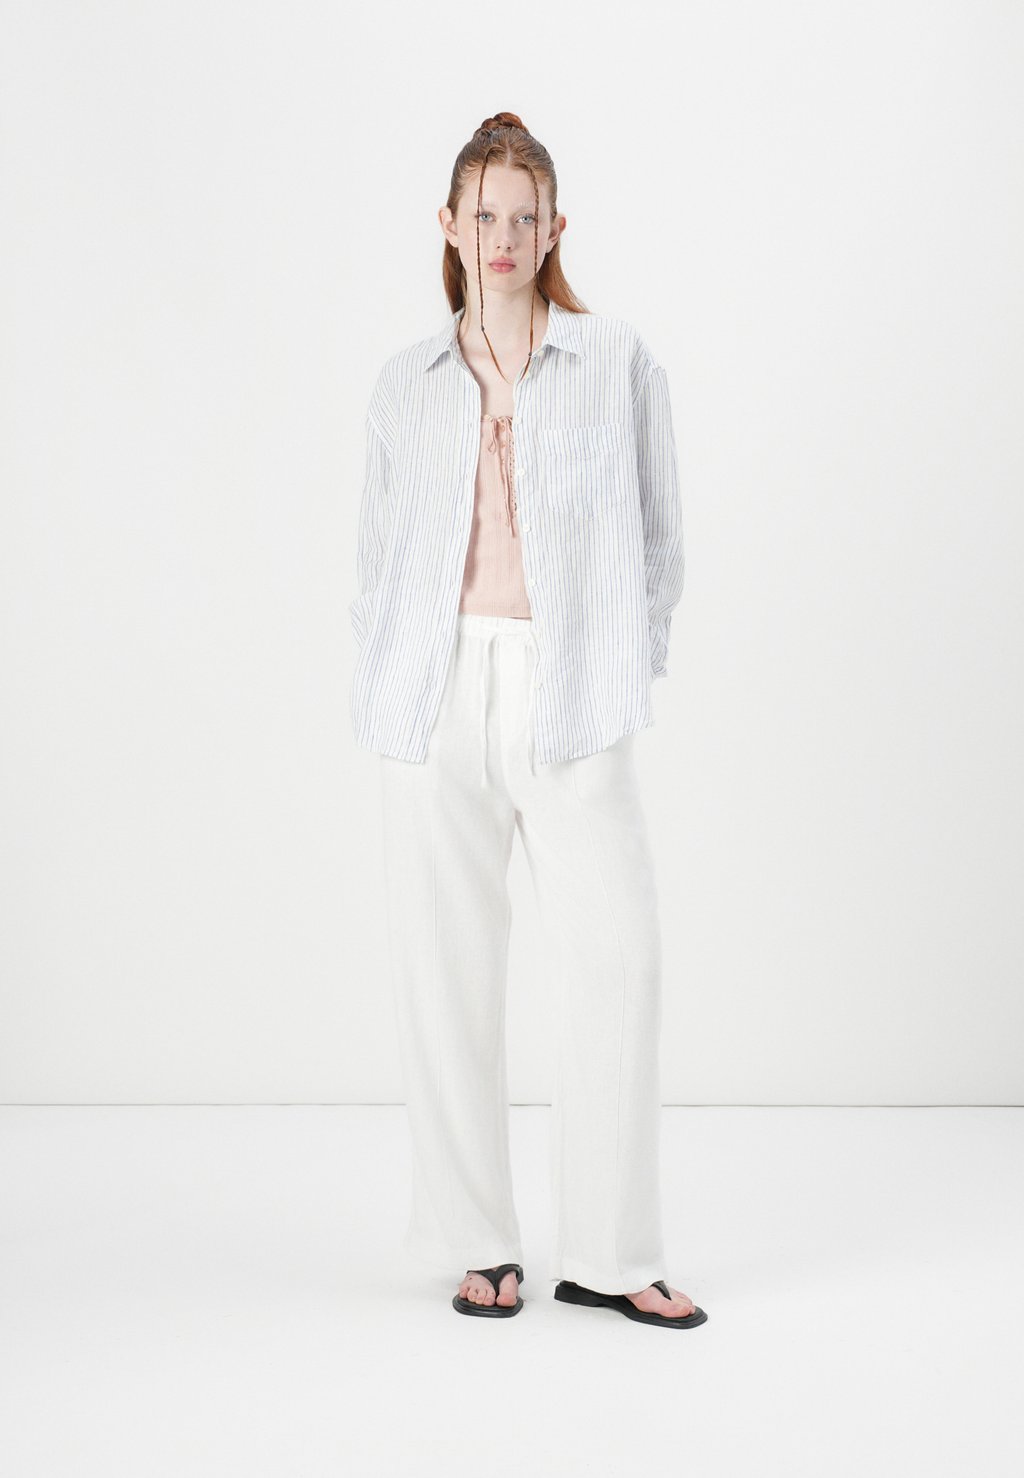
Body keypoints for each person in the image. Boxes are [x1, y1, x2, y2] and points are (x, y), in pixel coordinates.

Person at [349, 112, 707, 1330]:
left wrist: (619, 664)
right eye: (483, 214)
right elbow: (377, 556)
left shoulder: (615, 361)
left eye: (523, 215)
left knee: (617, 961)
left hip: (573, 688)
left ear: (555, 229)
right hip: (435, 689)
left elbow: (660, 538)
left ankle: (612, 1250)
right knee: (446, 971)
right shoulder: (403, 384)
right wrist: (392, 682)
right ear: (449, 226)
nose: (502, 236)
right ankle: (479, 1241)